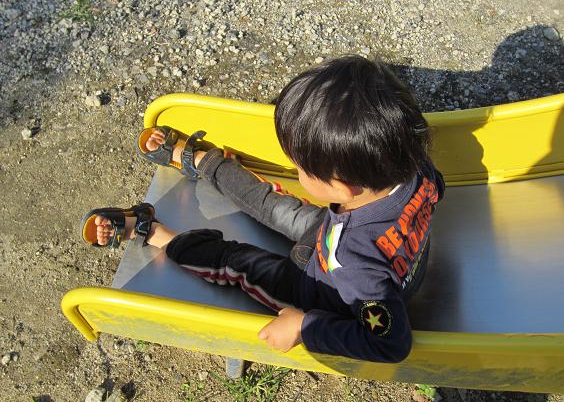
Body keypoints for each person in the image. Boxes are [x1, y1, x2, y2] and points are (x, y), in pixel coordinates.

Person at [81, 56, 445, 363]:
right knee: (271, 204)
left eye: (300, 168)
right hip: (330, 236)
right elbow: (436, 190)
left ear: (341, 189)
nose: (296, 170)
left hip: (314, 290)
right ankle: (202, 162)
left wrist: (304, 326)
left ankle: (153, 232)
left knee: (237, 262)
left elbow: (389, 344)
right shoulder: (415, 167)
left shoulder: (358, 269)